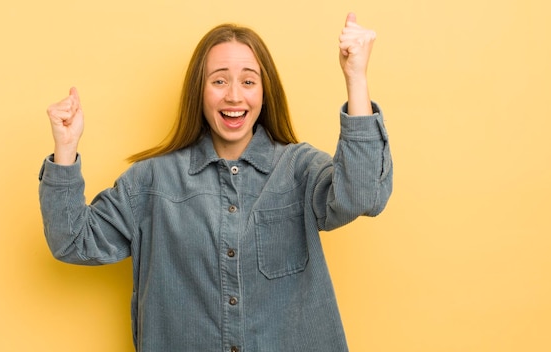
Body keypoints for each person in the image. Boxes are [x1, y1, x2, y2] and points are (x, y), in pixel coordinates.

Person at [39, 12, 392, 352]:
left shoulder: (299, 168)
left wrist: (355, 77)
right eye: (219, 80)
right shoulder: (150, 182)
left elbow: (362, 195)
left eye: (249, 81)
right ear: (200, 91)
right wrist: (65, 149)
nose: (234, 96)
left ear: (265, 92)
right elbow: (73, 241)